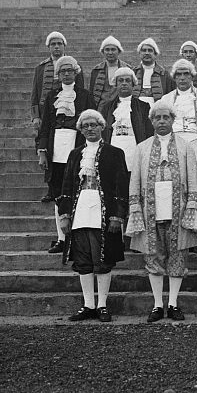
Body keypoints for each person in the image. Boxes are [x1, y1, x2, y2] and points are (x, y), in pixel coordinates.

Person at [126, 99, 197, 322]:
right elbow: (135, 180)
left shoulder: (185, 146)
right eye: (157, 118)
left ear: (173, 120)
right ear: (151, 121)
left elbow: (192, 178)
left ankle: (173, 303)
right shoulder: (142, 147)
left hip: (177, 208)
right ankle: (158, 304)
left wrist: (192, 205)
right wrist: (135, 207)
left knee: (177, 254)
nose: (161, 121)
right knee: (153, 254)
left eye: (165, 117)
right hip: (151, 208)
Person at [58, 109, 129, 322]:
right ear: (80, 130)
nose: (90, 129)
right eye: (86, 126)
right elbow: (67, 185)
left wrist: (117, 215)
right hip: (79, 209)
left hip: (103, 209)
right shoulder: (74, 154)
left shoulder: (115, 153)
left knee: (103, 256)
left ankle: (102, 305)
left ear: (102, 127)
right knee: (83, 257)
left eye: (94, 125)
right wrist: (64, 214)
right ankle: (88, 304)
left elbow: (120, 185)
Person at [37, 56, 95, 254]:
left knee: (78, 192)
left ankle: (78, 238)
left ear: (76, 72)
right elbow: (44, 127)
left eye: (70, 70)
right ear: (58, 74)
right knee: (59, 194)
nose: (67, 74)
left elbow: (91, 124)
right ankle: (61, 238)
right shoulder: (52, 96)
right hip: (56, 150)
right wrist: (42, 152)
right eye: (63, 71)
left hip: (77, 148)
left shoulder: (85, 96)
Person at [160, 59, 197, 172]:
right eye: (178, 74)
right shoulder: (166, 99)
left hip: (196, 144)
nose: (182, 77)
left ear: (192, 76)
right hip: (172, 143)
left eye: (186, 74)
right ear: (174, 77)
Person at [31, 31, 85, 142]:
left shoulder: (75, 66)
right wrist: (35, 116)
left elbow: (81, 91)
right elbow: (35, 94)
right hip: (46, 111)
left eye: (59, 44)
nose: (56, 47)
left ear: (64, 46)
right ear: (48, 47)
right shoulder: (40, 68)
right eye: (53, 44)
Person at [100, 67, 153, 177]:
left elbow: (148, 134)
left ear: (133, 84)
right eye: (121, 81)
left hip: (134, 150)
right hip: (114, 148)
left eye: (127, 81)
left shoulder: (143, 107)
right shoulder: (107, 108)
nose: (124, 84)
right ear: (116, 84)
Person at [88, 35, 130, 108]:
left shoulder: (127, 69)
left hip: (121, 106)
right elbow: (92, 93)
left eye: (113, 49)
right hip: (102, 108)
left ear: (119, 51)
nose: (110, 53)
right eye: (107, 50)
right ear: (103, 52)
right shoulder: (96, 70)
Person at [133, 38, 173, 106]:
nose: (147, 53)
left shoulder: (164, 74)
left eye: (150, 50)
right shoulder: (133, 73)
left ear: (155, 54)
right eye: (144, 50)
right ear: (139, 53)